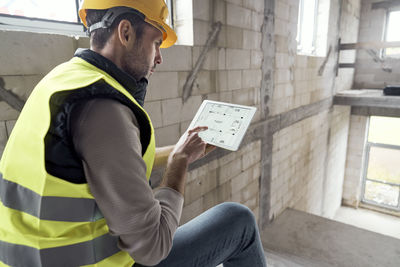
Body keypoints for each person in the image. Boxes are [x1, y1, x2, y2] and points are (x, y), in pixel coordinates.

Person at [0, 0, 267, 266]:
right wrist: (178, 165)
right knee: (237, 220)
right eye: (155, 43)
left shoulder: (62, 80)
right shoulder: (103, 110)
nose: (159, 58)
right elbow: (153, 247)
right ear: (125, 32)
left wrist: (177, 151)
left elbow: (108, 166)